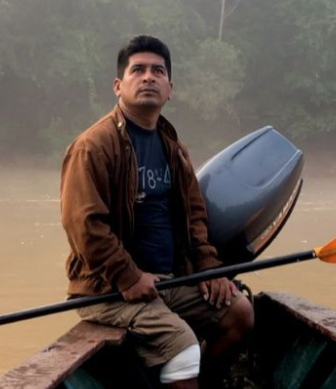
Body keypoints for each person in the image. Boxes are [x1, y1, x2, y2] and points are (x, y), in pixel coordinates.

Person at [60, 35, 254, 389]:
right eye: (138, 70)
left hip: (170, 280)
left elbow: (195, 218)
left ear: (170, 88)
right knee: (182, 347)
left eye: (158, 71)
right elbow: (84, 226)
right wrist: (129, 277)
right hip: (107, 290)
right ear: (119, 85)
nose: (149, 77)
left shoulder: (172, 147)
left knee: (238, 312)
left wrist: (209, 269)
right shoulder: (93, 147)